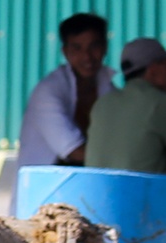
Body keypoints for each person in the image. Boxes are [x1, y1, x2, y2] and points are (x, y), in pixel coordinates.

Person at [85, 37, 166, 181]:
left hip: (96, 193)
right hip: (143, 194)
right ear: (153, 70)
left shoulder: (102, 104)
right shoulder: (163, 104)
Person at [16, 13, 116, 169]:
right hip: (45, 182)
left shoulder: (110, 90)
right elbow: (74, 151)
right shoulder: (48, 91)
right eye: (77, 48)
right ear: (65, 51)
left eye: (94, 46)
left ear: (105, 47)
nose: (87, 56)